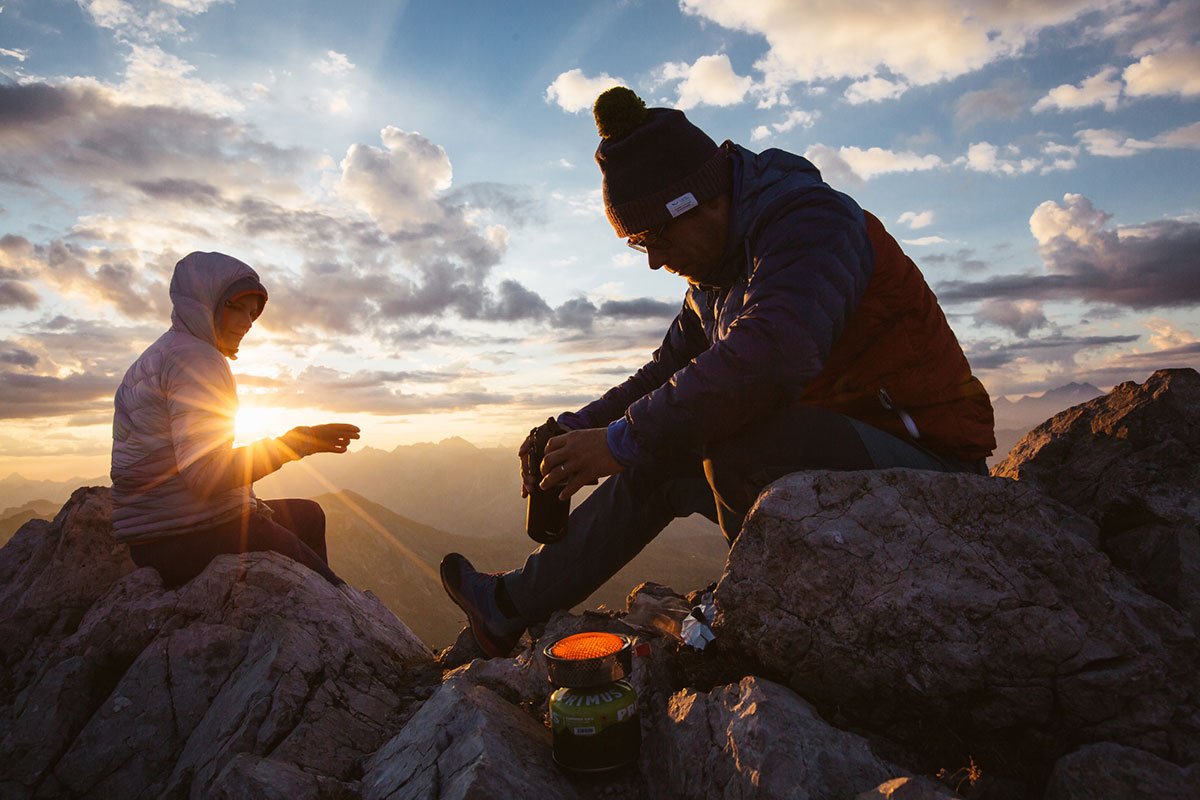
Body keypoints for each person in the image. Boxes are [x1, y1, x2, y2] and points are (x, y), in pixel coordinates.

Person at [441, 87, 995, 657]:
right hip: (834, 460)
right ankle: (507, 608)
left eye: (652, 238)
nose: (654, 261)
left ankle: (762, 627)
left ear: (696, 201)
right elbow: (666, 373)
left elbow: (770, 360)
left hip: (934, 472)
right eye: (638, 246)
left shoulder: (813, 223)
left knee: (730, 441)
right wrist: (572, 428)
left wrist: (618, 441)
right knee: (657, 455)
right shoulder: (715, 274)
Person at [110, 251, 360, 588]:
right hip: (185, 535)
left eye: (253, 314)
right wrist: (298, 443)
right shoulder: (198, 360)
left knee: (308, 516)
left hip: (155, 535)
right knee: (331, 593)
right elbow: (205, 476)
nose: (247, 323)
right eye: (235, 307)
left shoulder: (161, 352)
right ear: (205, 304)